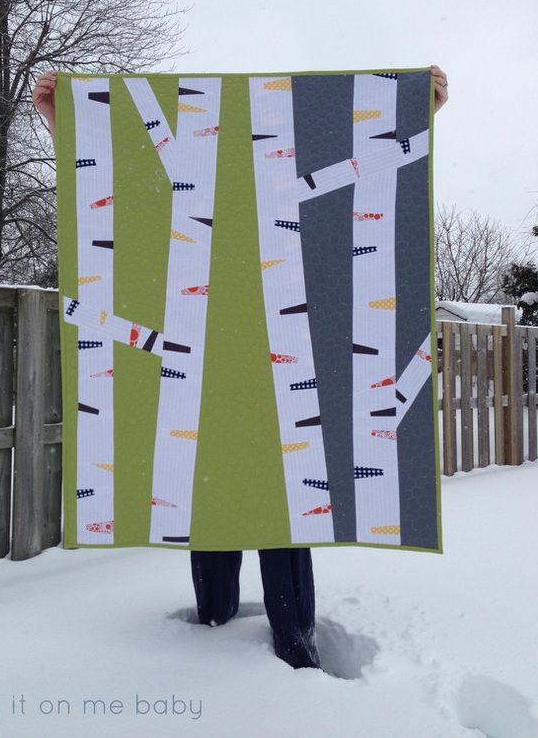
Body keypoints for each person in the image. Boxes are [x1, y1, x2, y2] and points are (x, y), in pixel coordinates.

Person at [33, 63, 449, 670]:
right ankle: (213, 632)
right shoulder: (187, 216)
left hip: (281, 369)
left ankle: (294, 644)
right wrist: (64, 119)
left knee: (285, 507)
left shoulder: (282, 218)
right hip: (206, 369)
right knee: (211, 503)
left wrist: (415, 110)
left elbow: (360, 173)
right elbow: (116, 178)